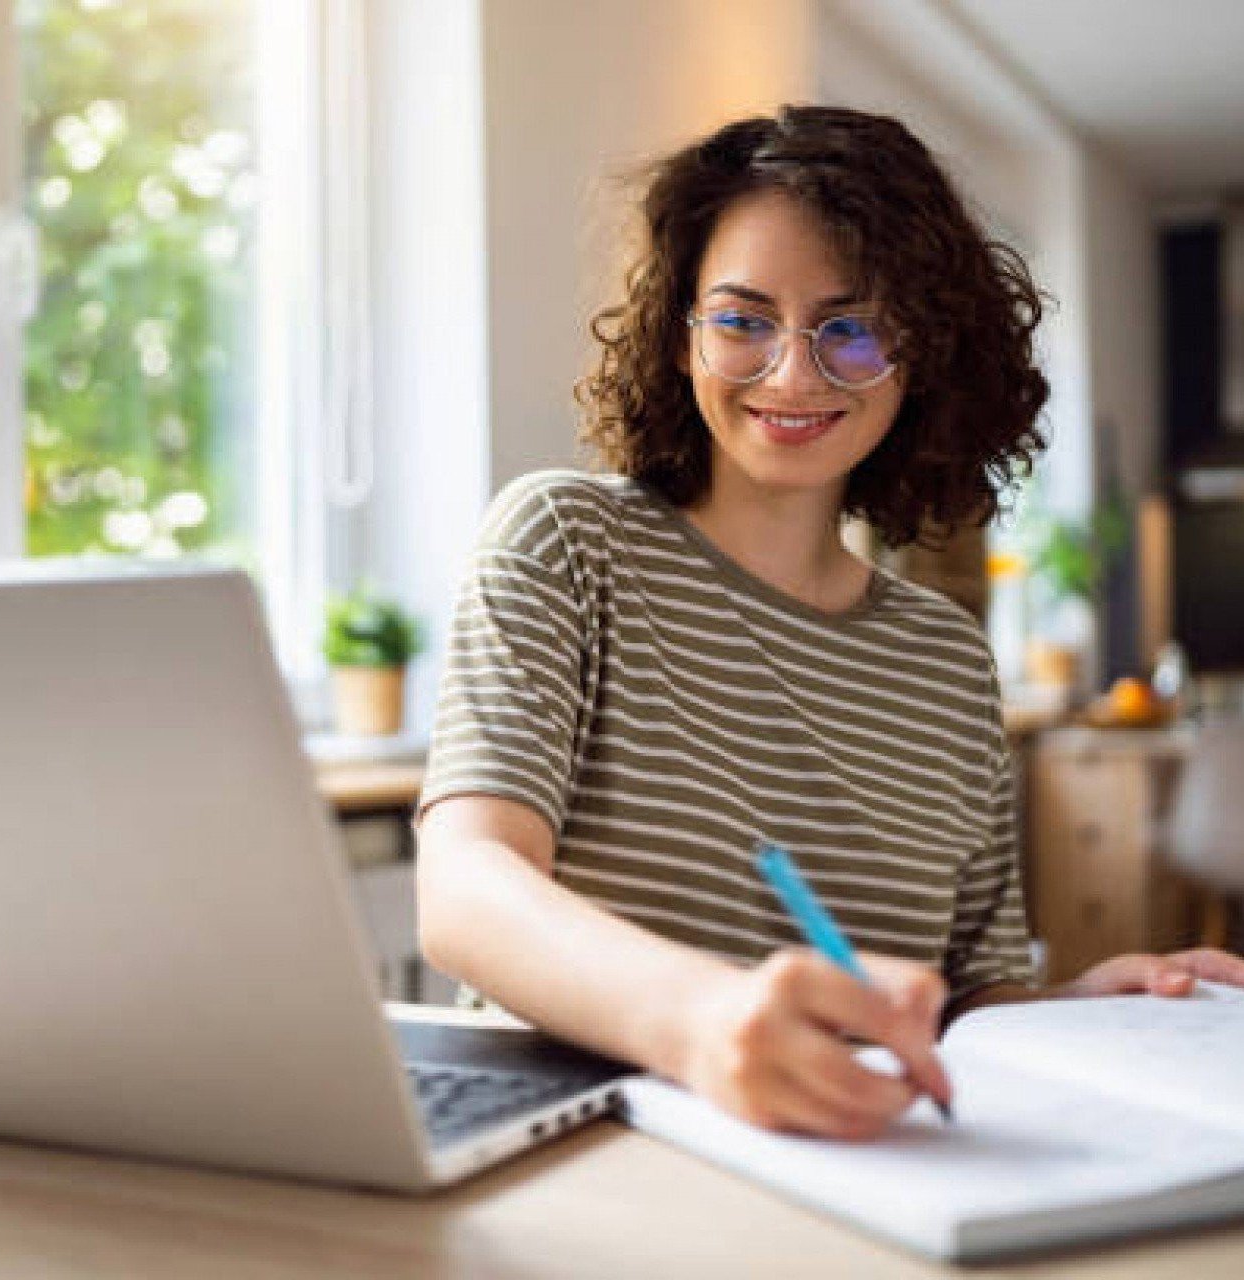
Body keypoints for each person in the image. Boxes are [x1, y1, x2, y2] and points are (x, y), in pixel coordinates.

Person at [413, 104, 1244, 1140]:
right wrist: (700, 1018)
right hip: (574, 1146)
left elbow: (963, 1002)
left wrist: (1084, 1012)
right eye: (741, 318)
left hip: (845, 1159)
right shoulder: (566, 542)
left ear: (920, 357)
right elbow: (464, 888)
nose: (793, 372)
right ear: (681, 335)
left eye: (849, 328)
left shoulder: (947, 663)